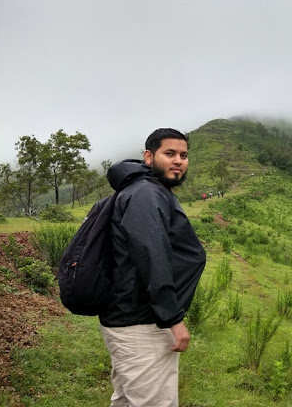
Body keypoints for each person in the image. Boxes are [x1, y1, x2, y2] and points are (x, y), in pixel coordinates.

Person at [99, 128, 206, 407]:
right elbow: (151, 256)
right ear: (149, 156)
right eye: (169, 153)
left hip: (133, 317)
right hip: (142, 323)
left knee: (125, 400)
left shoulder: (148, 190)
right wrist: (173, 318)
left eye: (183, 155)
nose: (178, 161)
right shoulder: (147, 193)